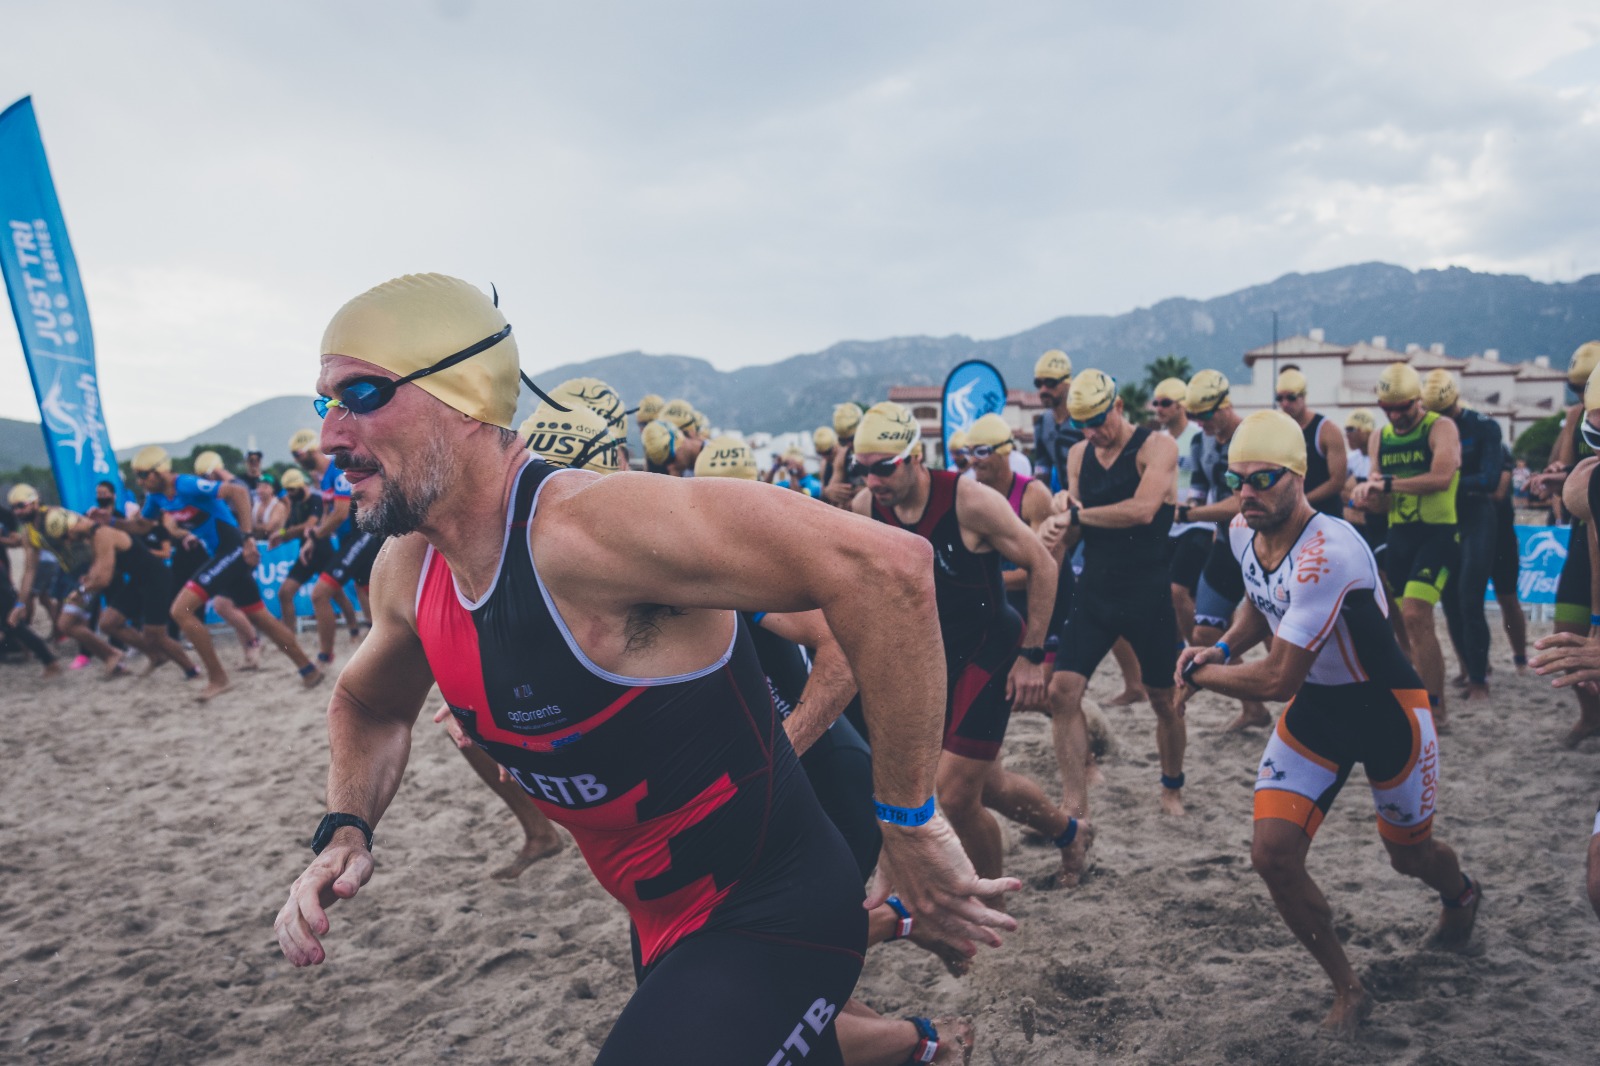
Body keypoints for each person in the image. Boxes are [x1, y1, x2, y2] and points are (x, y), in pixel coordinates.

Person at [274, 273, 1018, 1065]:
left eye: (361, 393)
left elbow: (891, 572)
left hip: (772, 904)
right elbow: (369, 705)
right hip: (658, 919)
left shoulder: (589, 530)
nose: (331, 435)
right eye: (326, 402)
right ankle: (928, 1048)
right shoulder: (409, 570)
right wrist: (347, 827)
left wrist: (908, 819)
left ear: (465, 395)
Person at [1177, 411, 1479, 1039]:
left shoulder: (1329, 551)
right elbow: (1263, 604)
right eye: (1238, 480)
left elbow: (1277, 681)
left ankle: (1461, 896)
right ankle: (1348, 987)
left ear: (1299, 476)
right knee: (1273, 856)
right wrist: (1222, 648)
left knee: (1409, 857)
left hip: (1387, 709)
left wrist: (1196, 676)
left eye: (1263, 478)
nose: (1248, 492)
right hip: (1320, 711)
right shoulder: (1242, 529)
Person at [849, 401, 1081, 888]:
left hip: (990, 649)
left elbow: (1044, 565)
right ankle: (1070, 833)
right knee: (988, 786)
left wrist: (1030, 656)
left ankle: (991, 900)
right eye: (863, 470)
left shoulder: (968, 500)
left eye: (884, 468)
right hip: (931, 659)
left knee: (954, 795)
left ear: (915, 457)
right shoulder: (866, 509)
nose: (873, 482)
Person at [1039, 369, 1184, 831]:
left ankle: (1171, 785)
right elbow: (1080, 525)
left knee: (1164, 700)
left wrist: (1078, 512)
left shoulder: (1158, 447)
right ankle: (1075, 803)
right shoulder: (1080, 453)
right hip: (1097, 589)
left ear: (1119, 407)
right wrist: (1059, 522)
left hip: (1147, 591)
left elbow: (1143, 510)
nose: (1092, 432)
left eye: (1099, 420)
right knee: (1062, 692)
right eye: (1083, 424)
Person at [130, 445, 321, 701]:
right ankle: (308, 669)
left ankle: (218, 678)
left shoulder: (186, 484)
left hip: (232, 548)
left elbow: (239, 492)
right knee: (261, 618)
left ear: (159, 472)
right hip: (221, 554)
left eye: (142, 475)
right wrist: (108, 522)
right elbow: (141, 526)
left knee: (180, 610)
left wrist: (248, 539)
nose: (139, 481)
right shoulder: (156, 498)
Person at [1352, 363, 1462, 725]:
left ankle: (1436, 706)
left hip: (1438, 533)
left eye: (1404, 408)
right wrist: (1370, 497)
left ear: (1419, 401)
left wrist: (1385, 485)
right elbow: (1382, 496)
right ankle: (1415, 697)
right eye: (1388, 408)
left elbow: (1442, 477)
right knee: (1402, 623)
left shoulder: (1440, 427)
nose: (1396, 416)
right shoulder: (1379, 437)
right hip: (1399, 536)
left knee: (1417, 613)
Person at [1180, 369, 1273, 732]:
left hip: (1265, 545)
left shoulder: (1252, 438)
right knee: (1204, 635)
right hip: (1228, 546)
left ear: (1227, 405)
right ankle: (1254, 708)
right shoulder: (1200, 443)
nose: (1200, 423)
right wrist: (1190, 506)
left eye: (1206, 414)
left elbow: (1243, 502)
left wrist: (1189, 513)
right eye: (1195, 416)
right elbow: (1199, 493)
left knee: (1277, 635)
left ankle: (1306, 702)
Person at [1426, 370, 1504, 701]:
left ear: (1455, 402)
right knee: (1450, 601)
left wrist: (1443, 480)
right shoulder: (1427, 428)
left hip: (1477, 518)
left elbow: (1489, 480)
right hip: (1448, 519)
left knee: (1470, 598)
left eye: (1444, 413)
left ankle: (1479, 680)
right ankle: (1470, 667)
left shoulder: (1484, 427)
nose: (1440, 420)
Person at [52, 509, 200, 680]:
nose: (68, 542)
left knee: (155, 634)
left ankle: (191, 670)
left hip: (156, 579)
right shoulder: (94, 536)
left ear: (71, 528)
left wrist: (81, 591)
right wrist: (89, 578)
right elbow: (100, 568)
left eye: (65, 537)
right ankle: (156, 656)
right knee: (108, 623)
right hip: (139, 579)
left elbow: (104, 580)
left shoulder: (103, 534)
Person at [288, 428, 365, 663]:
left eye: (298, 454)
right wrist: (312, 539)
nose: (297, 460)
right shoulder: (323, 480)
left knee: (321, 593)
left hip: (360, 536)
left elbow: (340, 514)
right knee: (366, 592)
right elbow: (326, 514)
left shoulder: (337, 470)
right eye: (294, 456)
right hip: (348, 540)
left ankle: (324, 657)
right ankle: (373, 642)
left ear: (312, 450)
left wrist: (318, 533)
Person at [1152, 376, 1209, 642]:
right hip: (1168, 524)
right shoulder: (1156, 441)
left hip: (1197, 524)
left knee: (1178, 591)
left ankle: (1194, 648)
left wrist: (1196, 508)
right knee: (1168, 594)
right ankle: (1178, 650)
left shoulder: (1198, 437)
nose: (1158, 408)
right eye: (1156, 403)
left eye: (1165, 403)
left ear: (1180, 406)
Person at [1273, 367, 1348, 517]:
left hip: (1325, 514)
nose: (1285, 403)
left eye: (1291, 397)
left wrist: (1302, 501)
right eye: (1280, 398)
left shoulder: (1327, 430)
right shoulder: (1277, 429)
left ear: (1304, 397)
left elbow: (1338, 482)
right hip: (1293, 516)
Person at [1489, 444, 1529, 671]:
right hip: (1476, 536)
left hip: (1501, 536)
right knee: (1468, 605)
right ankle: (1475, 667)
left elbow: (1500, 493)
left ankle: (1520, 657)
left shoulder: (1498, 449)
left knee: (1509, 600)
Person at [822, 403, 865, 508]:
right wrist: (830, 492)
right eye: (843, 441)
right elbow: (830, 489)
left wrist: (861, 493)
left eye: (852, 438)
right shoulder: (844, 454)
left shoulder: (876, 451)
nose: (849, 445)